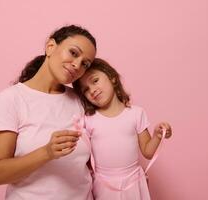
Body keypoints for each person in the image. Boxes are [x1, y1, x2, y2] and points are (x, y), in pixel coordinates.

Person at [0, 25, 97, 200]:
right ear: (50, 46)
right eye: (74, 53)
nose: (77, 65)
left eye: (85, 64)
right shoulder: (12, 99)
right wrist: (47, 152)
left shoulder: (80, 100)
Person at [72, 58, 172, 200]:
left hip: (133, 182)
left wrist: (157, 135)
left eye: (95, 81)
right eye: (86, 90)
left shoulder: (136, 114)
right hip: (103, 185)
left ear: (112, 78)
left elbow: (148, 152)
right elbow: (85, 159)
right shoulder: (88, 120)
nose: (92, 90)